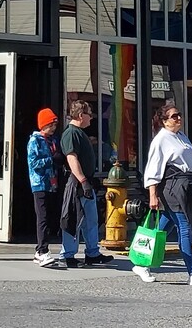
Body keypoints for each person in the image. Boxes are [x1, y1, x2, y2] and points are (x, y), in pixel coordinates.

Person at [135, 101, 192, 287]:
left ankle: (141, 263)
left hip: (185, 185)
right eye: (174, 116)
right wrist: (152, 195)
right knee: (184, 226)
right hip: (172, 187)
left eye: (179, 114)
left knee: (163, 228)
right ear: (164, 121)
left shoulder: (181, 136)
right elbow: (153, 168)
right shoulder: (161, 139)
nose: (179, 118)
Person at [59, 101, 114, 268]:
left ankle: (92, 253)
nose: (92, 117)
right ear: (81, 115)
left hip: (86, 181)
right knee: (73, 218)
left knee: (91, 219)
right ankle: (67, 254)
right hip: (77, 183)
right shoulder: (71, 133)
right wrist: (83, 180)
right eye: (90, 114)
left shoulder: (79, 133)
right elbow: (71, 158)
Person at [27, 108, 65, 268]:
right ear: (43, 125)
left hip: (53, 183)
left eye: (54, 125)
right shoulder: (35, 141)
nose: (53, 128)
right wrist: (51, 160)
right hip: (40, 184)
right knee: (42, 217)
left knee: (50, 217)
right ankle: (42, 250)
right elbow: (33, 163)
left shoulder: (53, 140)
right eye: (50, 125)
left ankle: (42, 250)